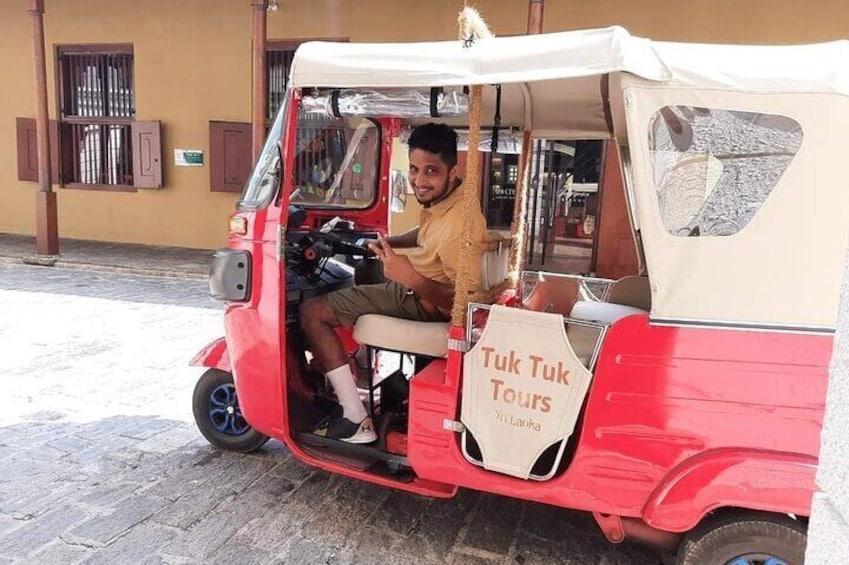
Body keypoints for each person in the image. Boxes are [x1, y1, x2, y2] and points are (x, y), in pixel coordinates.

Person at [300, 123, 489, 443]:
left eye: (431, 171)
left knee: (312, 312)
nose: (419, 180)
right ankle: (357, 360)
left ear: (452, 170)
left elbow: (465, 303)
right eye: (414, 169)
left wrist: (408, 276)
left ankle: (354, 418)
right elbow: (427, 233)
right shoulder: (451, 195)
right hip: (419, 285)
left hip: (428, 303)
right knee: (364, 270)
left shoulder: (462, 225)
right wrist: (391, 242)